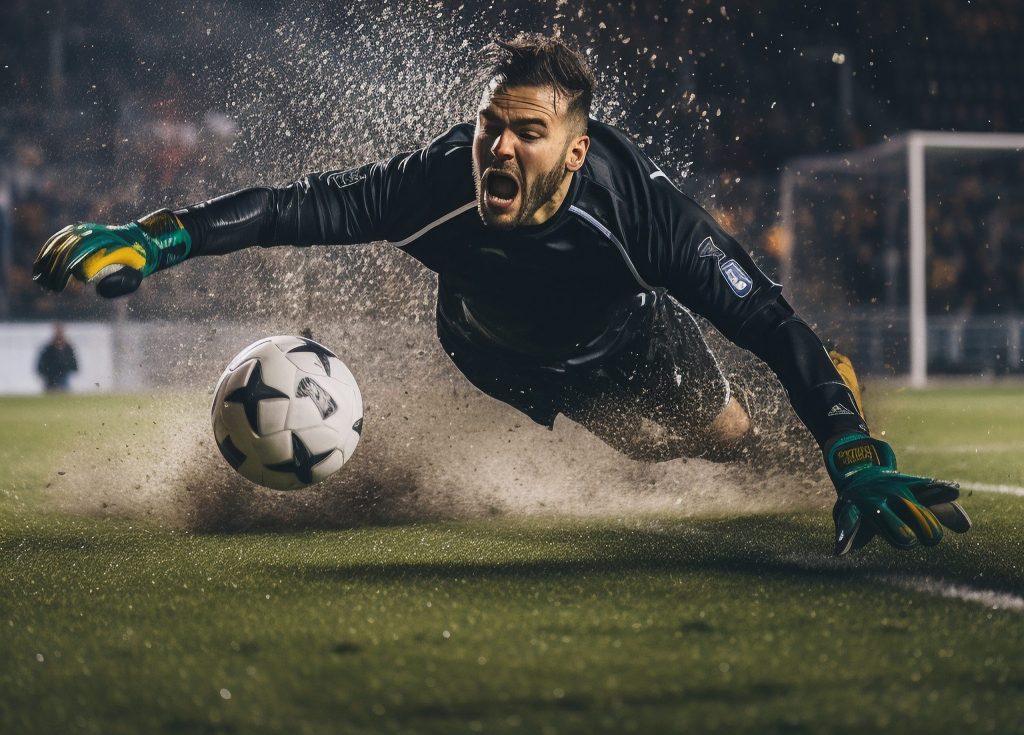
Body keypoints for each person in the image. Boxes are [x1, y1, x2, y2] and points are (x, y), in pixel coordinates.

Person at [32, 34, 969, 555]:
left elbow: (769, 319)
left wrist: (848, 444)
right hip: (489, 350)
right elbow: (293, 207)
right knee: (638, 449)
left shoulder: (643, 215)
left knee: (706, 443)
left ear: (576, 148)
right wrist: (158, 238)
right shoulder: (435, 184)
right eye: (489, 126)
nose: (498, 148)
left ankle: (784, 450)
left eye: (526, 131)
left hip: (630, 344)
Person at [36, 323, 78, 392]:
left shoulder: (68, 348)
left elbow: (73, 362)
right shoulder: (48, 348)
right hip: (50, 378)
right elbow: (41, 363)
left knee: (64, 393)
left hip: (64, 377)